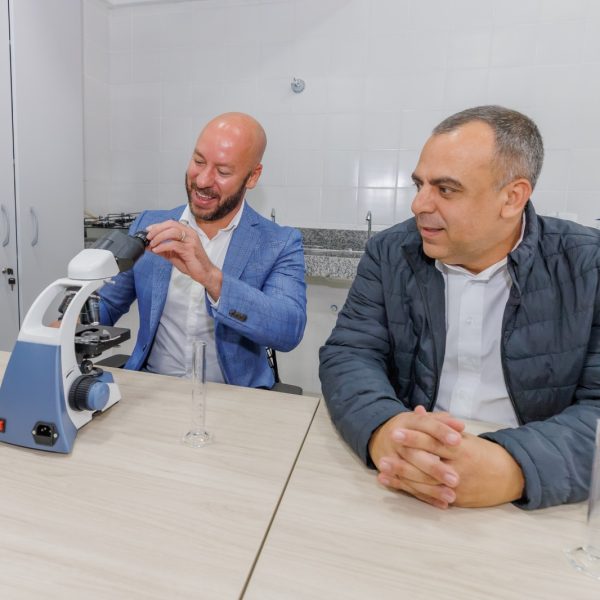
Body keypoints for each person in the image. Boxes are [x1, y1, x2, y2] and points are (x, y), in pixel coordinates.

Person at [319, 105, 600, 511]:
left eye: (446, 189)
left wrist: (513, 467)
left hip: (536, 499)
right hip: (405, 478)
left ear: (512, 198)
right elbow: (350, 353)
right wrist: (384, 429)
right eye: (419, 184)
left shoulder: (588, 266)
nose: (419, 204)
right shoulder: (390, 252)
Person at [98, 112, 307, 388]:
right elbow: (107, 304)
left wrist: (212, 278)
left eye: (223, 172)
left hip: (236, 397)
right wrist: (68, 323)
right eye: (198, 161)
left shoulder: (279, 242)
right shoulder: (149, 225)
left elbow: (288, 330)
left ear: (252, 176)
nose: (203, 180)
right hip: (154, 389)